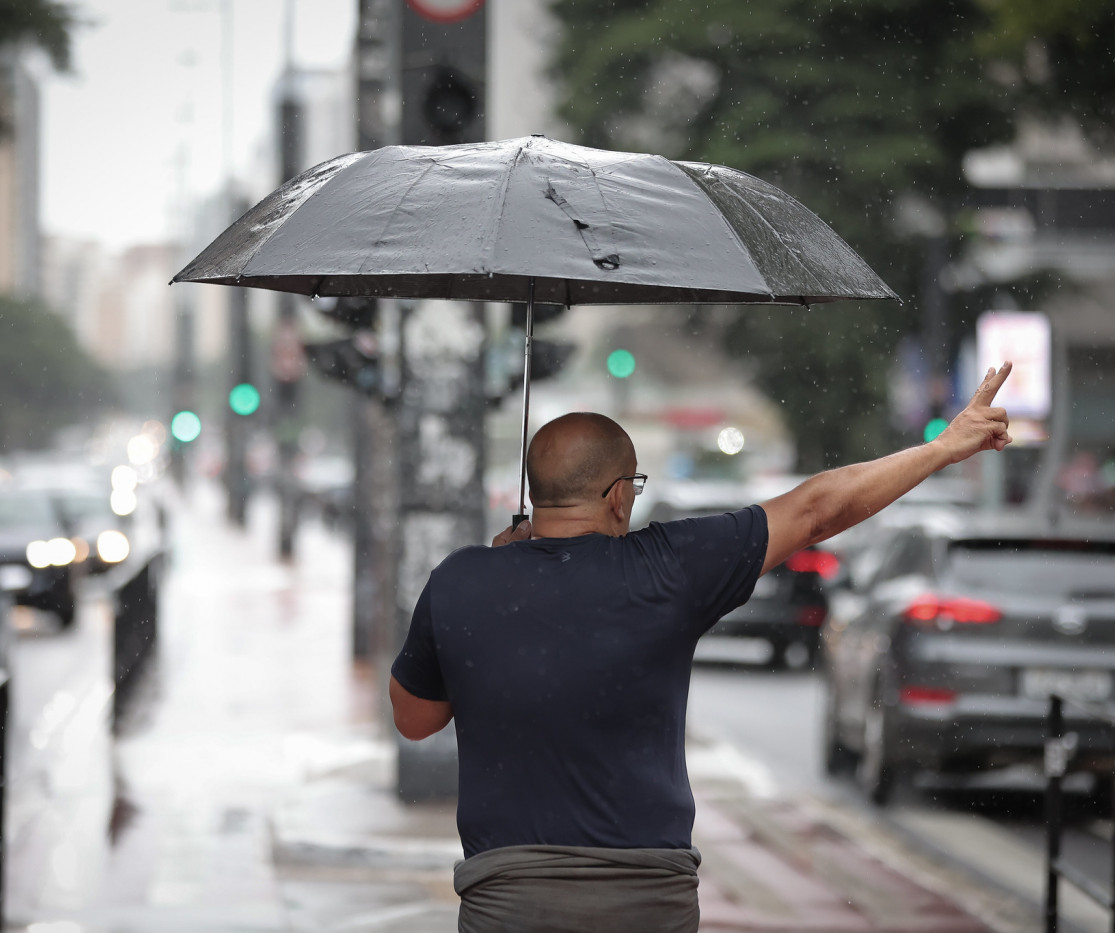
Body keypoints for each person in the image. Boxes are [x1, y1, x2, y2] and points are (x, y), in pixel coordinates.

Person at [390, 362, 1014, 933]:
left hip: (509, 899)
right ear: (616, 496)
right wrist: (942, 447)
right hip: (647, 898)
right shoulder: (670, 567)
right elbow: (819, 509)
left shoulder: (461, 579)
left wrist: (494, 601)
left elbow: (415, 720)